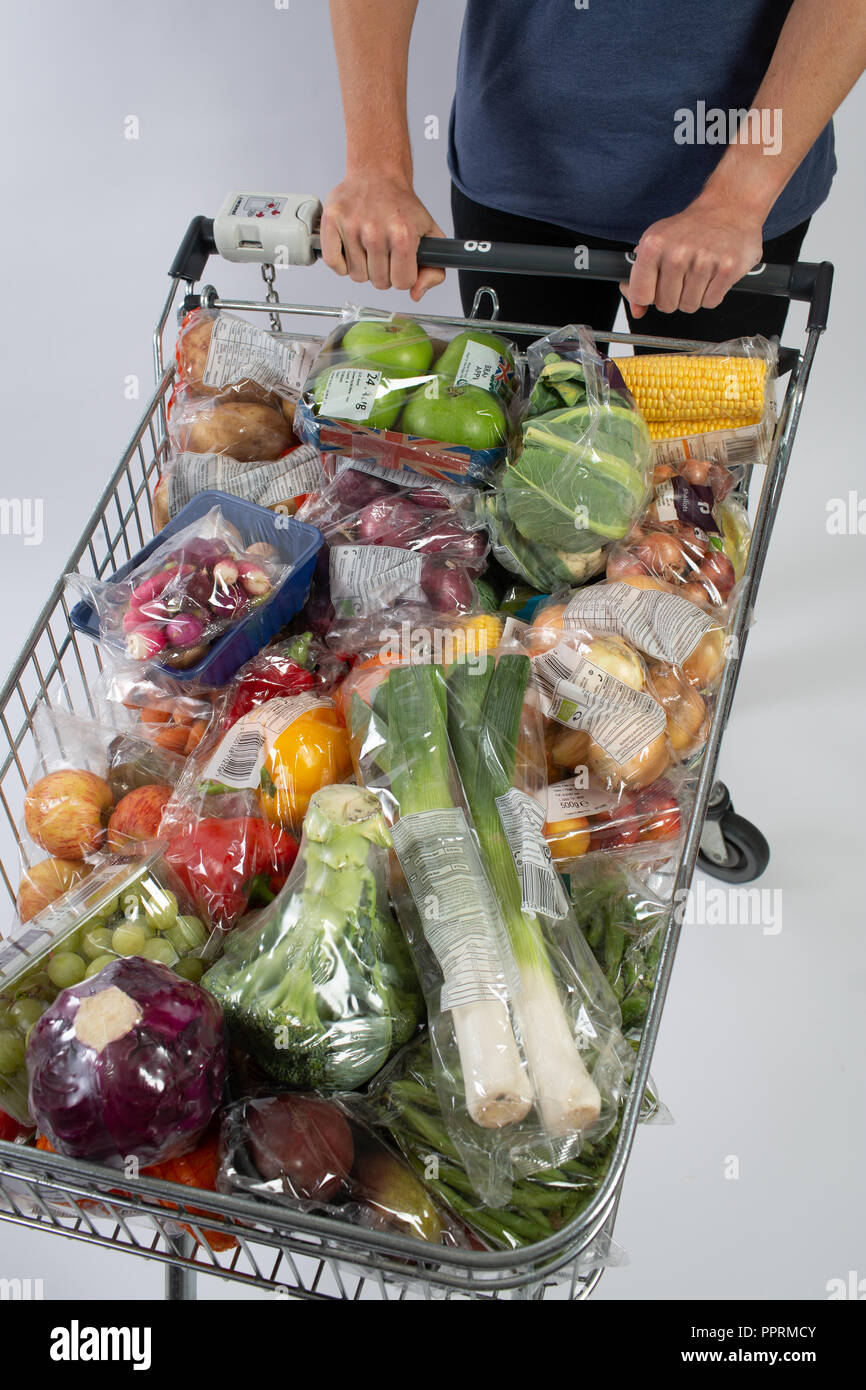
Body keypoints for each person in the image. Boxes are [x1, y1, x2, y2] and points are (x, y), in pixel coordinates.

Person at [321, 0, 865, 342]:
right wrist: (375, 166)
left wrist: (737, 201)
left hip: (740, 195)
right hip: (519, 170)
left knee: (697, 497)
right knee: (517, 490)